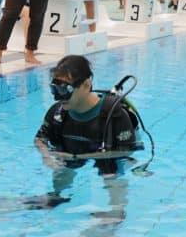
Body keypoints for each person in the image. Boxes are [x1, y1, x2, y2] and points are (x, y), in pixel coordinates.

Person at [35, 55, 142, 222]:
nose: (58, 97)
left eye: (65, 90)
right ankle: (56, 196)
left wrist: (79, 157)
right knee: (63, 165)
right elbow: (40, 138)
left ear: (86, 85)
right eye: (55, 90)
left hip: (107, 153)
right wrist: (46, 156)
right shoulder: (58, 112)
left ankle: (116, 210)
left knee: (111, 169)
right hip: (73, 151)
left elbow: (126, 150)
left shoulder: (113, 115)